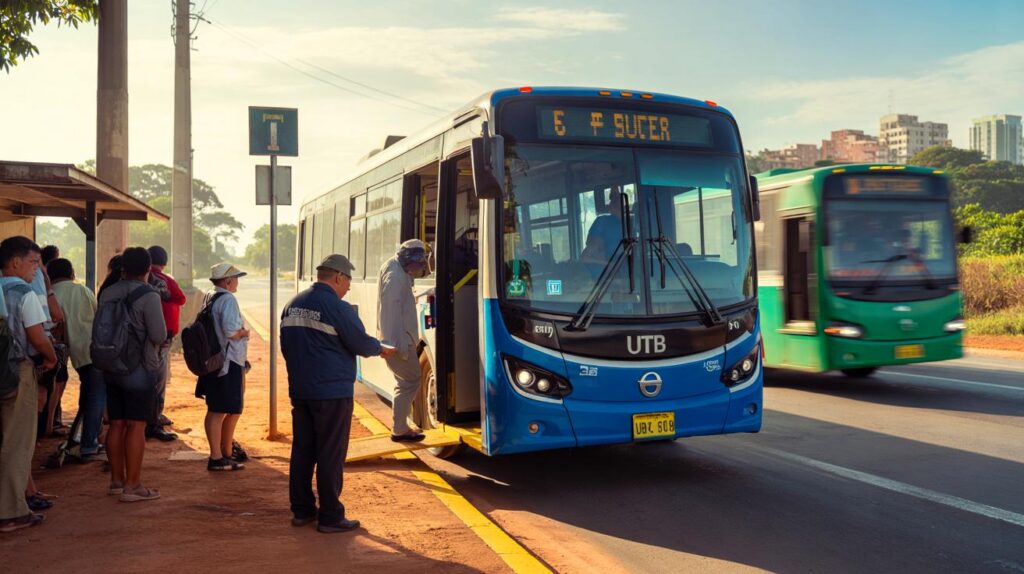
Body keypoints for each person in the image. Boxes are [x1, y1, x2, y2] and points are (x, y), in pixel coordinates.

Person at [281, 254, 394, 533]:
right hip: (331, 393)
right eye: (348, 281)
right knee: (330, 453)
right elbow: (360, 344)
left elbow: (286, 346)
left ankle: (302, 510)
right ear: (338, 278)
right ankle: (330, 516)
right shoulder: (336, 307)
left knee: (303, 451)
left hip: (302, 391)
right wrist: (380, 348)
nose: (349, 288)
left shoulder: (292, 305)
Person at [97, 247, 165, 502]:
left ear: (123, 268)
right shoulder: (149, 295)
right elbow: (158, 334)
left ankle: (116, 481)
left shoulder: (108, 292)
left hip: (111, 364)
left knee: (116, 422)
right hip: (138, 367)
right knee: (136, 424)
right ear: (148, 269)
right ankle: (133, 486)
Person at [0, 236, 56, 532]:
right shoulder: (25, 294)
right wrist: (51, 358)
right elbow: (37, 336)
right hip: (18, 371)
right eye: (34, 262)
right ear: (15, 261)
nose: (38, 270)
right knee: (17, 442)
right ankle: (10, 512)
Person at [48, 258, 104, 460]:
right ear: (71, 272)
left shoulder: (51, 294)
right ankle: (89, 443)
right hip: (95, 349)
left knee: (89, 394)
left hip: (76, 354)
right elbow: (98, 315)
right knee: (95, 397)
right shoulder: (82, 290)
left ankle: (84, 438)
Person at [196, 263, 250, 471]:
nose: (237, 282)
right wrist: (244, 333)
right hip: (228, 362)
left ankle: (223, 452)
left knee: (218, 408)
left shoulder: (210, 296)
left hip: (214, 361)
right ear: (227, 281)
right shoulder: (228, 299)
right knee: (220, 410)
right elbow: (230, 331)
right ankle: (217, 456)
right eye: (235, 278)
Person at [377, 239, 430, 442]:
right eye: (416, 264)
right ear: (407, 259)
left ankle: (401, 425)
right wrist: (391, 343)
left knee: (404, 382)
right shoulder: (395, 277)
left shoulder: (394, 266)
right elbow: (389, 309)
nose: (417, 268)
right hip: (398, 341)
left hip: (398, 338)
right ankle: (399, 429)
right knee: (411, 381)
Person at [145, 245, 185, 442]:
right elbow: (181, 298)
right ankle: (153, 420)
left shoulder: (137, 279)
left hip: (142, 335)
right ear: (164, 262)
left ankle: (148, 417)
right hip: (162, 335)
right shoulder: (164, 280)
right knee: (158, 378)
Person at [582, 187, 625, 263]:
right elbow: (590, 247)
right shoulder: (602, 221)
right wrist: (604, 263)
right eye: (613, 200)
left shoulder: (630, 223)